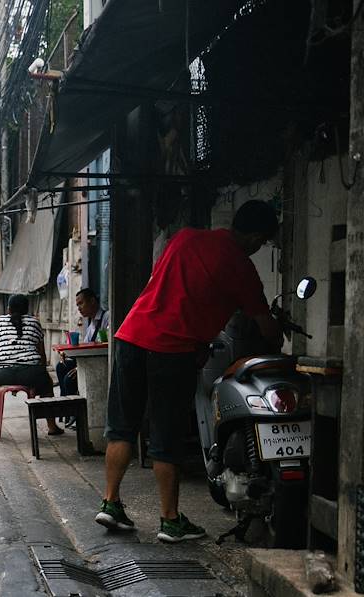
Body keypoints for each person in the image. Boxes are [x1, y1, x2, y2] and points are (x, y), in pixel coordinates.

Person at [95, 199, 283, 543]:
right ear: (256, 237)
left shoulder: (183, 238)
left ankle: (111, 502)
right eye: (264, 241)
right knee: (166, 438)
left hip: (131, 336)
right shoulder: (241, 267)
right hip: (171, 351)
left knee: (122, 427)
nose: (261, 248)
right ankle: (169, 520)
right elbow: (266, 327)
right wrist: (280, 338)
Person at [0, 294, 63, 437]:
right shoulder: (34, 323)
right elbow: (41, 353)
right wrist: (42, 374)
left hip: (1, 373)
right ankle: (52, 426)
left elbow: (0, 348)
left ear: (8, 309)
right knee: (47, 386)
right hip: (31, 373)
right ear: (27, 309)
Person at [56, 288, 110, 396]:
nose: (79, 308)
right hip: (88, 361)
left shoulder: (107, 318)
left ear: (92, 301)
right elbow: (84, 348)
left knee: (69, 380)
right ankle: (64, 404)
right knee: (61, 366)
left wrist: (79, 368)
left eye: (81, 303)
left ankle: (74, 409)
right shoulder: (91, 325)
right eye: (77, 305)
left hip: (100, 362)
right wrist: (67, 355)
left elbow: (106, 347)